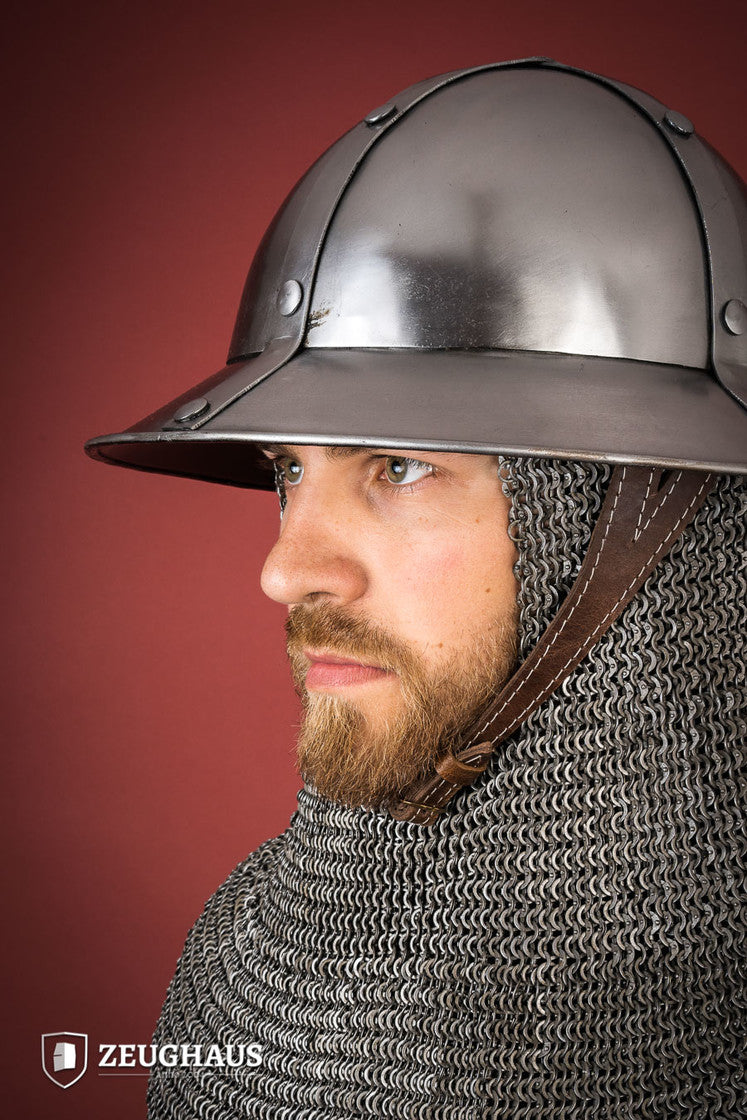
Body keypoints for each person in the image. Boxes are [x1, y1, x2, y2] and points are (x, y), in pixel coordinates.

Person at [86, 60, 747, 1119]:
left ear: (642, 520)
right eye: (287, 470)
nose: (285, 570)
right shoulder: (250, 963)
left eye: (397, 466)